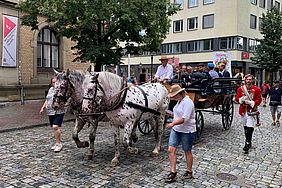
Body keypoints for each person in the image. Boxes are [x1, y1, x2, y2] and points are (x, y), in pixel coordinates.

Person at [165, 85, 196, 183]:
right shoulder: (179, 102)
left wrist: (172, 123)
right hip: (176, 129)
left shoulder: (188, 102)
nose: (173, 97)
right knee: (171, 150)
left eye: (174, 95)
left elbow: (185, 118)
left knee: (187, 151)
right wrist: (171, 114)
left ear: (180, 93)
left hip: (187, 130)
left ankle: (189, 171)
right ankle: (173, 172)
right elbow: (179, 114)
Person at [235, 74, 262, 154]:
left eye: (250, 79)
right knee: (246, 127)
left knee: (250, 127)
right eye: (247, 79)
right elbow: (237, 98)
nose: (249, 81)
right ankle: (249, 141)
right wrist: (240, 99)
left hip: (251, 110)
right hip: (243, 110)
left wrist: (252, 102)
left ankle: (247, 143)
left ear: (253, 80)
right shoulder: (241, 89)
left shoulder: (257, 89)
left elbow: (259, 100)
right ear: (245, 80)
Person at [40, 77, 66, 152]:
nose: (55, 84)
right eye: (53, 82)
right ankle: (57, 143)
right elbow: (47, 99)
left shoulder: (61, 90)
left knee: (55, 126)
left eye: (56, 82)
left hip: (58, 111)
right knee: (54, 128)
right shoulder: (51, 89)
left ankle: (59, 144)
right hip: (50, 111)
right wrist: (43, 107)